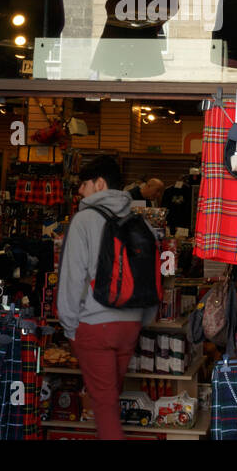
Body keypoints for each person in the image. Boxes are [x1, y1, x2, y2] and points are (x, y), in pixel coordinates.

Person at [58, 157, 159, 439]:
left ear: (99, 184)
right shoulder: (138, 221)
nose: (79, 191)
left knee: (104, 406)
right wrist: (142, 320)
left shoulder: (83, 221)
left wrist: (69, 327)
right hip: (131, 324)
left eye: (84, 184)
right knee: (109, 398)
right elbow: (151, 276)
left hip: (94, 326)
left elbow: (72, 279)